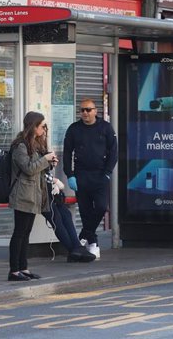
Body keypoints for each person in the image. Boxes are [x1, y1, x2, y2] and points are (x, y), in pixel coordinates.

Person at [63, 98, 118, 260]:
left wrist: (108, 172)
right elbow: (67, 153)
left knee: (101, 207)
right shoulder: (74, 129)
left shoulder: (105, 128)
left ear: (96, 111)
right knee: (85, 211)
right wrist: (70, 174)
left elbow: (113, 151)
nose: (85, 113)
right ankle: (93, 244)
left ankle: (84, 235)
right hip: (81, 175)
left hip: (100, 175)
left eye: (88, 110)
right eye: (82, 110)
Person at [8, 111, 58, 281]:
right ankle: (14, 270)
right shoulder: (20, 146)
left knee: (26, 232)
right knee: (19, 232)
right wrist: (45, 160)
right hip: (23, 194)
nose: (44, 129)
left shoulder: (35, 144)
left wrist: (49, 163)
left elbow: (38, 168)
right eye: (42, 126)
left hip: (34, 193)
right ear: (34, 126)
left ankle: (24, 267)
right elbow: (28, 168)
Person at [41, 174, 97, 263]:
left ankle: (76, 248)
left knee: (66, 214)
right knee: (56, 218)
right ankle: (74, 250)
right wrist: (54, 180)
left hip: (47, 192)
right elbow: (33, 170)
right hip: (37, 193)